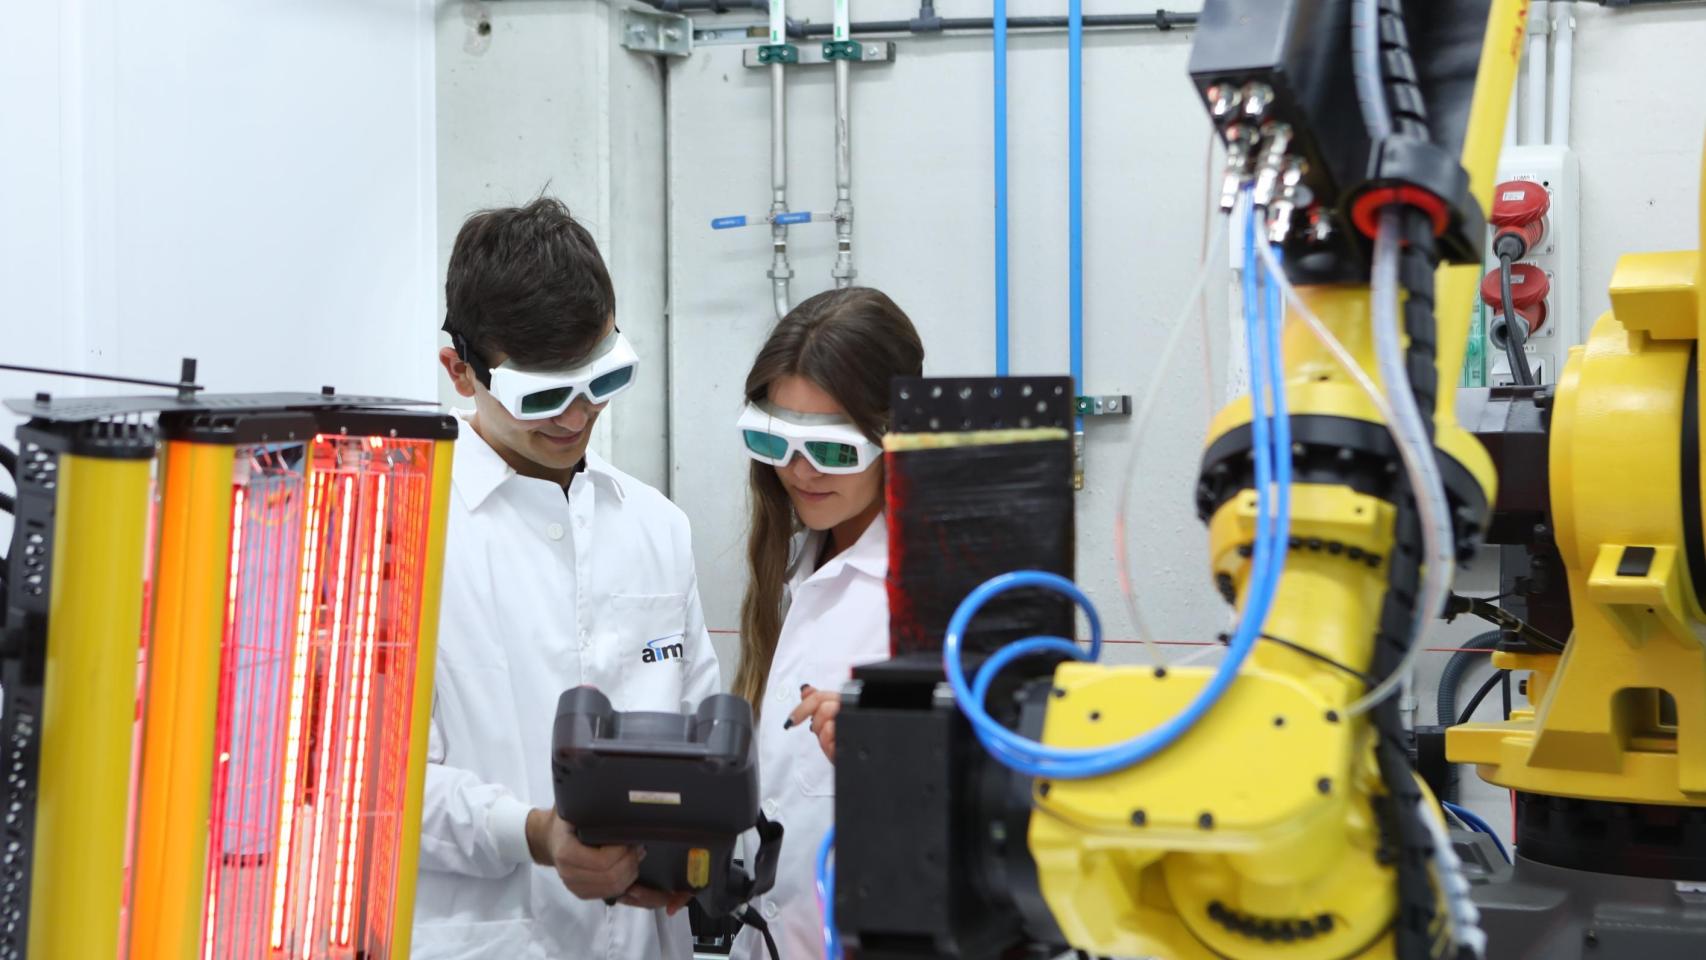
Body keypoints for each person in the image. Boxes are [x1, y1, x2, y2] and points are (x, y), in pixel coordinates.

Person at [417, 198, 720, 959]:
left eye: (603, 378)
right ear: (460, 371)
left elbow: (702, 724)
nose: (578, 415)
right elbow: (378, 787)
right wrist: (536, 835)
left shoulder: (656, 527)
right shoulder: (405, 527)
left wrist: (691, 847)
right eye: (543, 396)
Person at [729, 288, 925, 960]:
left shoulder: (936, 594)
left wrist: (892, 752)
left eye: (832, 451)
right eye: (774, 441)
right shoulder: (800, 565)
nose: (797, 472)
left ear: (894, 438)